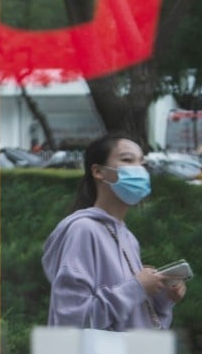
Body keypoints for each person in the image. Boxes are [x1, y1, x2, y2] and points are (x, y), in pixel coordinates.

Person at [42, 132, 186, 334]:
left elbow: (132, 316)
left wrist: (163, 297)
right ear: (99, 172)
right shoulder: (83, 230)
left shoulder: (127, 237)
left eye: (142, 164)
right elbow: (73, 319)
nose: (139, 170)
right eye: (127, 160)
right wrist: (137, 287)